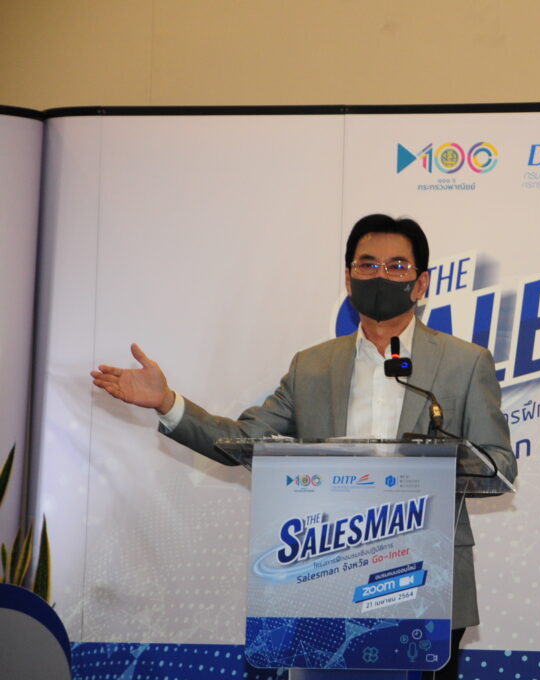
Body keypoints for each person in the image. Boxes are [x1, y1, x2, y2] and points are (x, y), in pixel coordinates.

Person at [91, 213, 516, 679]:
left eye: (397, 266)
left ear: (420, 284)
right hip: (328, 570)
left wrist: (433, 468)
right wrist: (168, 403)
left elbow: (500, 466)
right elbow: (245, 439)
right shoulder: (311, 366)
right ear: (348, 279)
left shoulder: (464, 363)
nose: (381, 275)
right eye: (368, 265)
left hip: (425, 579)